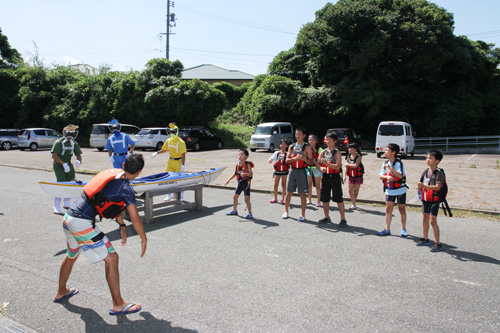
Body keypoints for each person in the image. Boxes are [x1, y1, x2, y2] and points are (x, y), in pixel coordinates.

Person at [53, 154, 147, 315]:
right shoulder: (126, 189)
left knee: (72, 255)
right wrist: (143, 239)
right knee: (112, 258)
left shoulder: (113, 174)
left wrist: (121, 225)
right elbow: (135, 218)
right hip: (82, 224)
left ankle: (62, 291)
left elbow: (113, 203)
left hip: (69, 219)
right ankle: (118, 304)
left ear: (124, 164)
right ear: (139, 172)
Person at [417, 150, 445, 252]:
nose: (428, 160)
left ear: (437, 161)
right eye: (427, 158)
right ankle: (425, 238)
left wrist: (424, 186)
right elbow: (421, 181)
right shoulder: (425, 171)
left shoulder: (439, 173)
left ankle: (437, 243)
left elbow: (438, 187)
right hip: (425, 198)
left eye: (430, 158)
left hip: (434, 200)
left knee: (433, 220)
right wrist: (420, 186)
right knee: (425, 218)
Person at [377, 143, 408, 237]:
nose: (385, 152)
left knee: (401, 209)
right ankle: (387, 229)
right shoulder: (385, 163)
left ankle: (403, 228)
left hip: (400, 189)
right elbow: (380, 175)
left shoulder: (399, 163)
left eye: (387, 150)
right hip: (390, 189)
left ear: (393, 152)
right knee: (388, 209)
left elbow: (400, 175)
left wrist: (391, 170)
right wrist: (387, 176)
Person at [51, 124, 83, 215]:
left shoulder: (74, 143)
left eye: (71, 133)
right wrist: (63, 164)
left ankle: (67, 202)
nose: (70, 136)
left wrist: (78, 161)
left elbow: (79, 154)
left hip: (68, 164)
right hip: (59, 165)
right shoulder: (58, 142)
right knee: (61, 184)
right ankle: (56, 205)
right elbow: (54, 155)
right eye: (68, 133)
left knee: (71, 183)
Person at [283, 127, 313, 222]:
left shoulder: (307, 147)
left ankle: (302, 214)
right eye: (296, 134)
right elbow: (286, 160)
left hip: (302, 171)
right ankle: (286, 211)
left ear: (304, 135)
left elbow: (311, 162)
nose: (297, 136)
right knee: (289, 192)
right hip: (292, 170)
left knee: (302, 193)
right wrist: (294, 159)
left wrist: (304, 159)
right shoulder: (292, 146)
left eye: (300, 134)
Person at [318, 130, 347, 226]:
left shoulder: (337, 153)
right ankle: (327, 217)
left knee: (338, 198)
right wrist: (321, 167)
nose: (328, 141)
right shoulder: (323, 152)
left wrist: (326, 164)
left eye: (330, 140)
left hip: (335, 177)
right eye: (327, 140)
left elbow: (338, 166)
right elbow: (317, 163)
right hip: (325, 177)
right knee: (325, 198)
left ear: (335, 141)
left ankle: (343, 219)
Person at [151, 123, 187, 201]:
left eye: (173, 132)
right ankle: (170, 195)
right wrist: (157, 153)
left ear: (176, 132)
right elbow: (164, 149)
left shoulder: (181, 142)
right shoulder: (169, 140)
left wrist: (183, 165)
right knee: (168, 178)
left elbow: (183, 154)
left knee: (179, 180)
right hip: (170, 161)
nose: (172, 133)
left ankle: (181, 196)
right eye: (171, 132)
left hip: (178, 161)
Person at [224, 149, 254, 219]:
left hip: (246, 183)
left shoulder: (247, 164)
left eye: (241, 154)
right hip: (240, 182)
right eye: (239, 154)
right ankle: (234, 210)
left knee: (246, 199)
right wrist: (228, 180)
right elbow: (235, 173)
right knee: (235, 197)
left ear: (246, 156)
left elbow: (251, 174)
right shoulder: (238, 165)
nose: (239, 156)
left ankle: (250, 213)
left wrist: (245, 174)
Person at [268, 139, 289, 204]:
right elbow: (271, 158)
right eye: (281, 144)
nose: (282, 145)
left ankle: (283, 198)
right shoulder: (276, 153)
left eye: (284, 144)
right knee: (275, 185)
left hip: (284, 171)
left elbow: (290, 161)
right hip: (277, 171)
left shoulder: (287, 154)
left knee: (283, 185)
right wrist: (270, 160)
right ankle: (275, 198)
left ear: (286, 146)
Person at [344, 142, 364, 210]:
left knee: (356, 191)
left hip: (358, 176)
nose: (350, 149)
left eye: (351, 148)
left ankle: (353, 202)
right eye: (349, 148)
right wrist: (344, 176)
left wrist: (348, 164)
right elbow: (346, 167)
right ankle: (353, 204)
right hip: (351, 176)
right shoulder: (348, 156)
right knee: (350, 190)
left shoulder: (359, 157)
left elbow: (355, 165)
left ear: (355, 149)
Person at [306, 134, 323, 207]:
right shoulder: (307, 148)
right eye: (309, 140)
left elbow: (320, 159)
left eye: (312, 140)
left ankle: (319, 200)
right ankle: (309, 199)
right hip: (309, 168)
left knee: (318, 186)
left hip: (317, 169)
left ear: (316, 141)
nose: (310, 141)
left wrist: (316, 162)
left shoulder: (320, 149)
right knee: (309, 185)